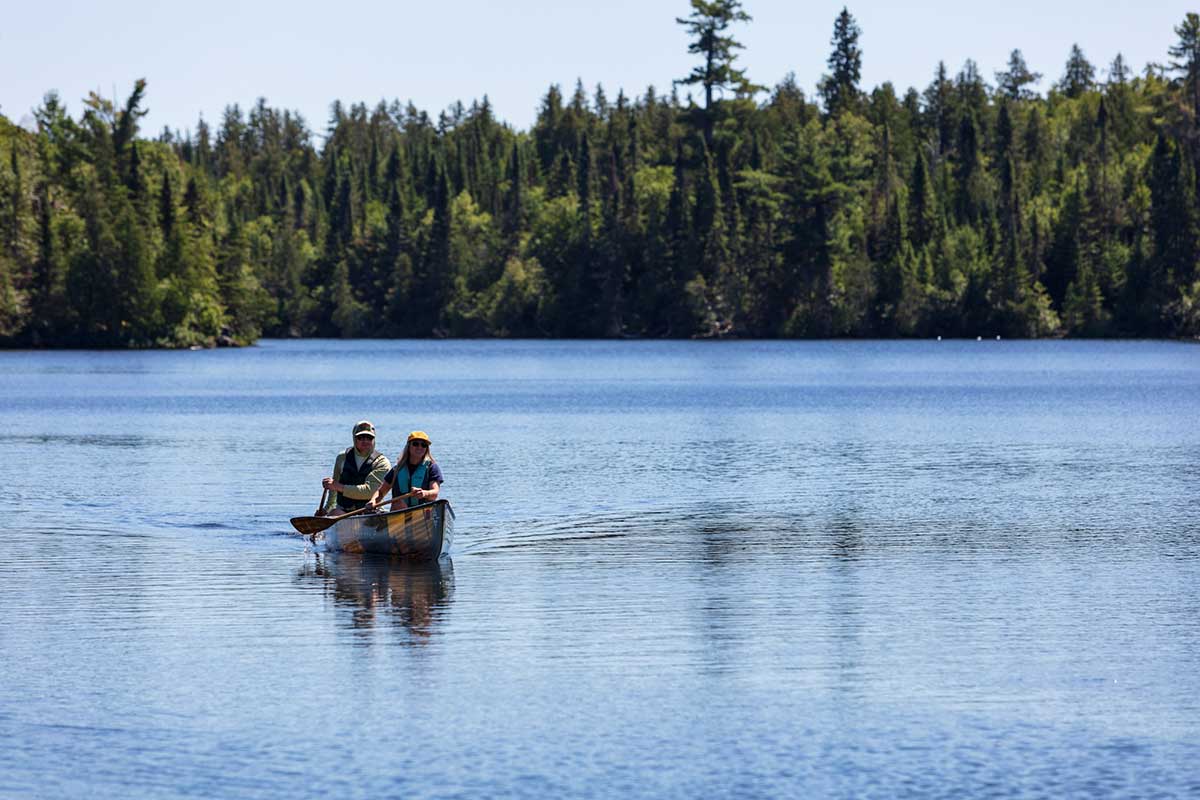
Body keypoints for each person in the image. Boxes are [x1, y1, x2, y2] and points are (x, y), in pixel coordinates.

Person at [319, 420, 392, 517]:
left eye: (369, 438)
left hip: (371, 512)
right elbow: (333, 490)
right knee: (334, 513)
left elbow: (370, 491)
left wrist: (338, 486)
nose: (365, 441)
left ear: (374, 439)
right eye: (361, 437)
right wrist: (326, 510)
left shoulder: (382, 462)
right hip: (343, 511)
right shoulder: (342, 457)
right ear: (354, 438)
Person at [369, 430, 444, 510]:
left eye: (423, 445)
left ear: (426, 448)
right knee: (398, 503)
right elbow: (381, 492)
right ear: (409, 446)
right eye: (415, 444)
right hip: (400, 513)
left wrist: (424, 493)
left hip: (423, 513)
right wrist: (373, 501)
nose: (419, 447)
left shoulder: (431, 468)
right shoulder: (397, 469)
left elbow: (435, 493)